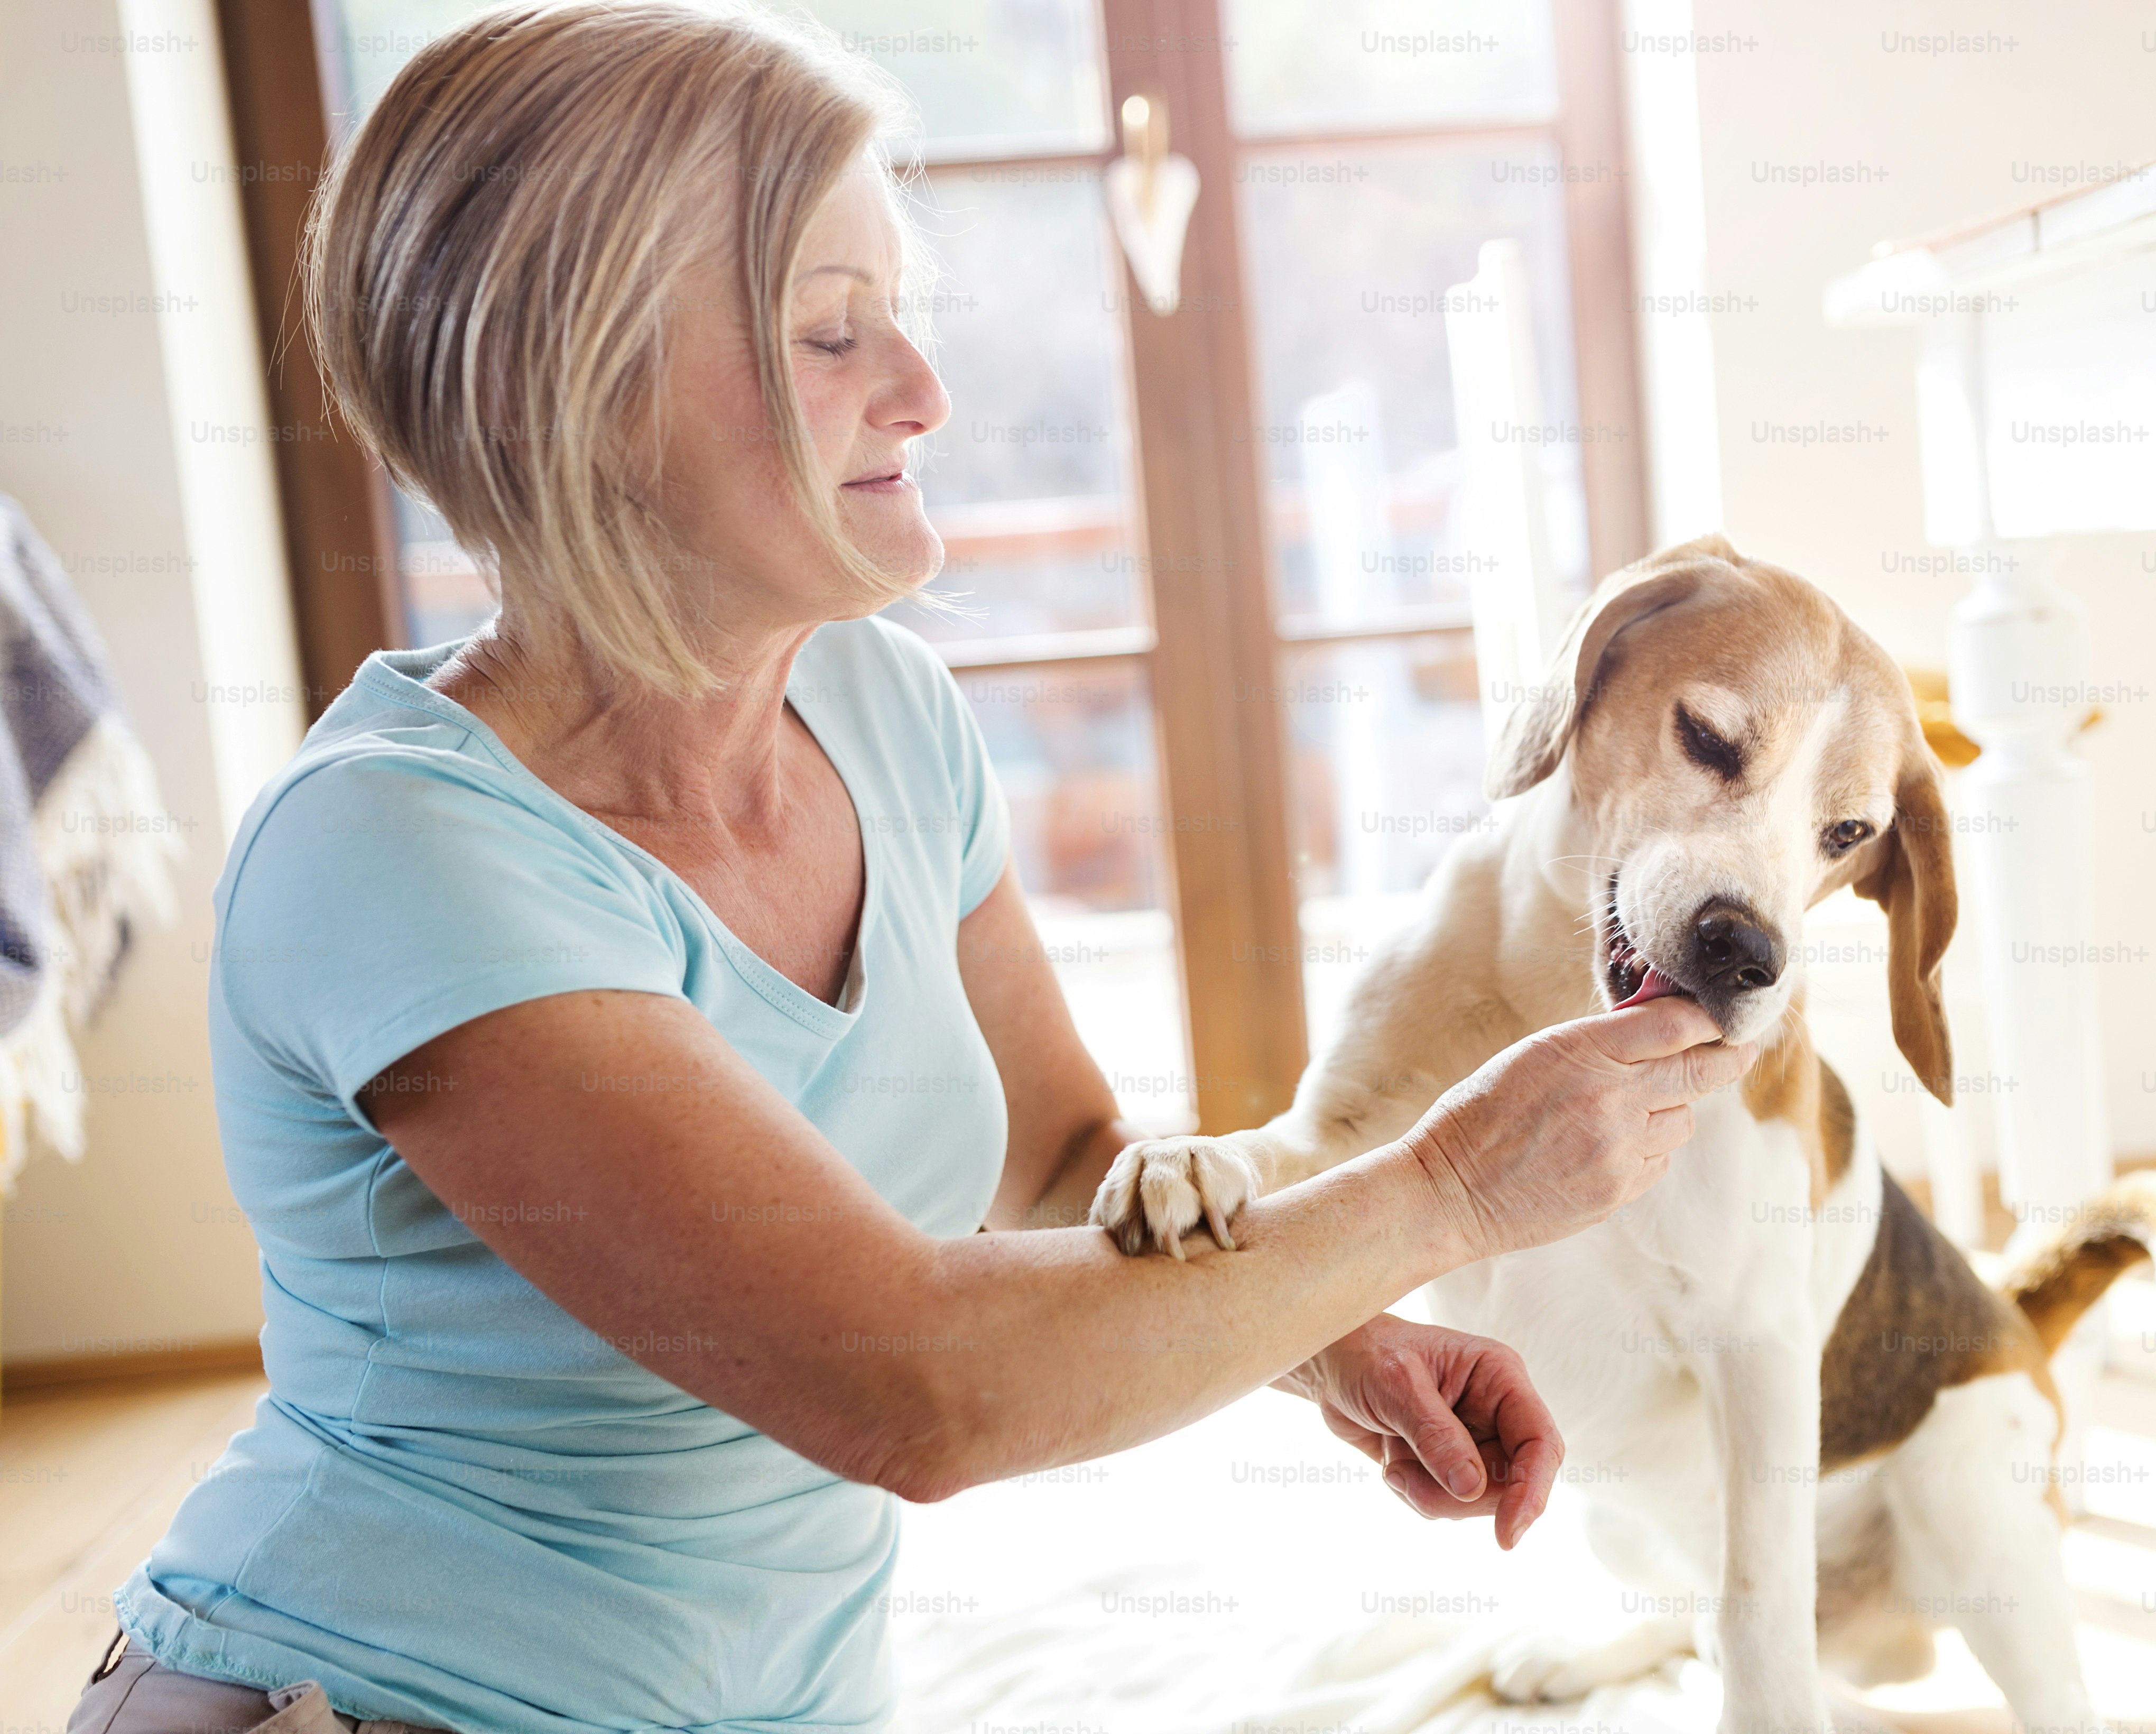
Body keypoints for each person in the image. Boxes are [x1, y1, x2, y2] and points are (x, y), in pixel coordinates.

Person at [70, 5, 1753, 1731]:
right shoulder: (399, 845)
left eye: (901, 315)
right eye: (826, 333)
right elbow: (912, 1385)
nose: (924, 391)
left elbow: (1064, 1158)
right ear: (575, 390)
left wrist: (1320, 1331)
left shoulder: (878, 709)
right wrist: (1448, 1189)